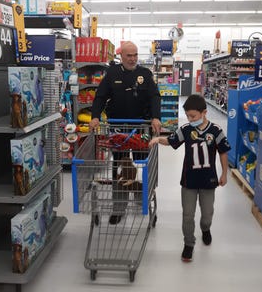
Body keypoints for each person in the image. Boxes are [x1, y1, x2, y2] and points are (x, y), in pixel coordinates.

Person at [149, 94, 231, 262]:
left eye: (193, 116)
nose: (189, 118)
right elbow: (171, 141)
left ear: (204, 112)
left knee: (207, 214)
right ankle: (188, 244)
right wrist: (158, 139)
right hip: (189, 181)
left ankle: (205, 229)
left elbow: (223, 152)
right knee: (187, 215)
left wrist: (224, 173)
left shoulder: (216, 130)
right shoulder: (186, 129)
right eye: (187, 115)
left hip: (209, 181)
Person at [90, 41, 161, 224]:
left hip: (141, 129)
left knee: (140, 167)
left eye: (135, 55)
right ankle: (119, 208)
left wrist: (156, 117)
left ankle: (141, 200)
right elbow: (100, 96)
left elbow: (154, 97)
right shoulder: (112, 73)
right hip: (118, 130)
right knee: (120, 168)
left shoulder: (145, 74)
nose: (133, 59)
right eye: (129, 55)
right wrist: (95, 116)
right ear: (121, 56)